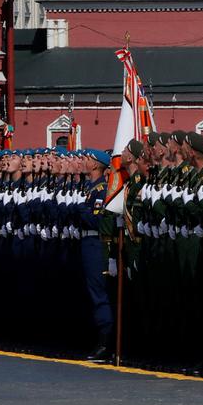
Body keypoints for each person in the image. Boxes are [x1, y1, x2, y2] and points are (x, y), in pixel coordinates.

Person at [78, 150, 115, 363]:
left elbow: (96, 220)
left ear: (95, 165)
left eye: (86, 159)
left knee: (99, 294)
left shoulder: (101, 189)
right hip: (86, 243)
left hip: (95, 243)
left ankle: (105, 343)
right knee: (91, 294)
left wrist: (81, 209)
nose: (83, 162)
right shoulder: (89, 188)